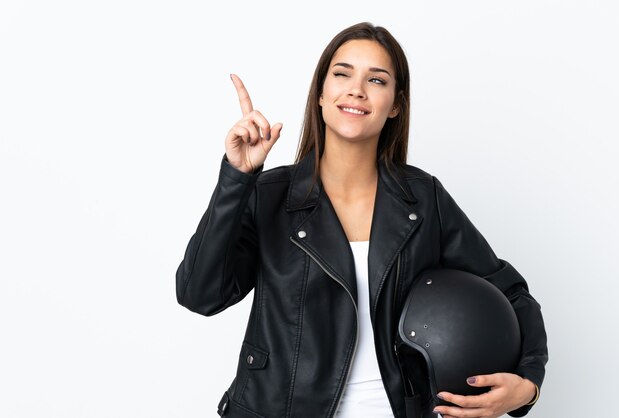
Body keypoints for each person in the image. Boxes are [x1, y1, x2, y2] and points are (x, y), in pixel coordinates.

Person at [175, 22, 548, 418]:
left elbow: (511, 293)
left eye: (376, 79)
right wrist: (238, 178)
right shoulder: (269, 194)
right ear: (320, 93)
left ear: (396, 104)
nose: (356, 89)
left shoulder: (424, 199)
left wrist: (527, 386)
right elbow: (200, 294)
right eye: (342, 74)